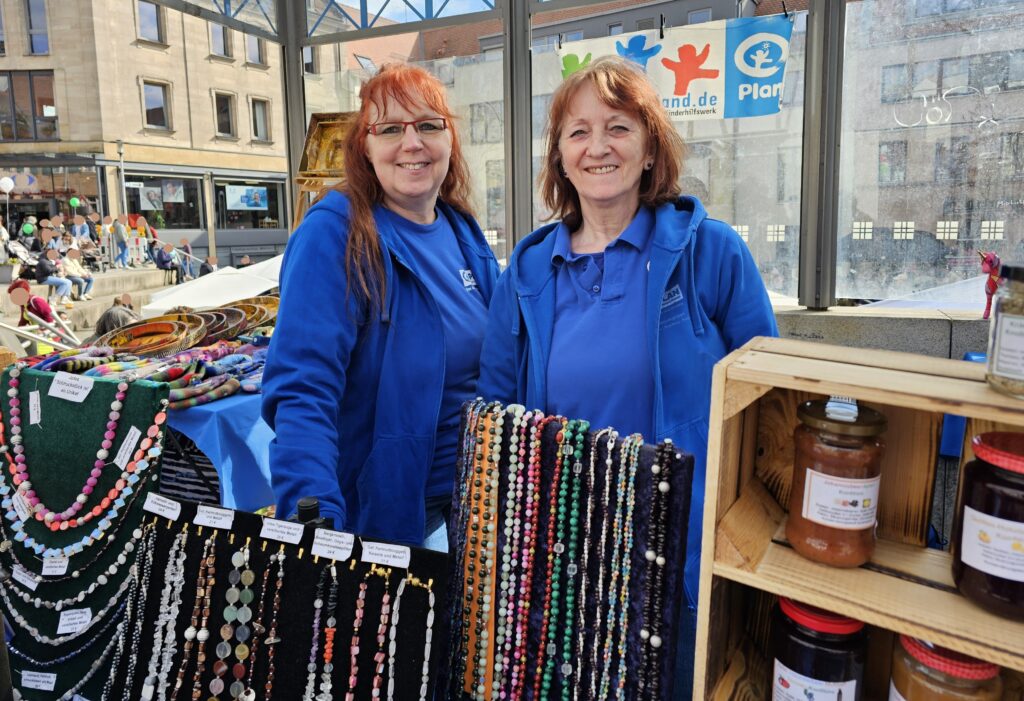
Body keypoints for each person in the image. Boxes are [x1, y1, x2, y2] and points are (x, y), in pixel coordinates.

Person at [475, 57, 778, 698]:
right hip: (570, 556)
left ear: (649, 149)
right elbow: (496, 422)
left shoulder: (710, 253)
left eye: (618, 127)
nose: (598, 147)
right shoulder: (527, 274)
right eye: (578, 132)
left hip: (685, 547)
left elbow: (770, 401)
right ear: (559, 157)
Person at [262, 63, 499, 552]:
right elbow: (302, 389)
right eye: (390, 129)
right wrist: (315, 521)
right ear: (365, 148)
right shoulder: (335, 234)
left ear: (450, 140)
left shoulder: (463, 232)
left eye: (428, 126)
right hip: (393, 523)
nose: (412, 143)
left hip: (478, 514)